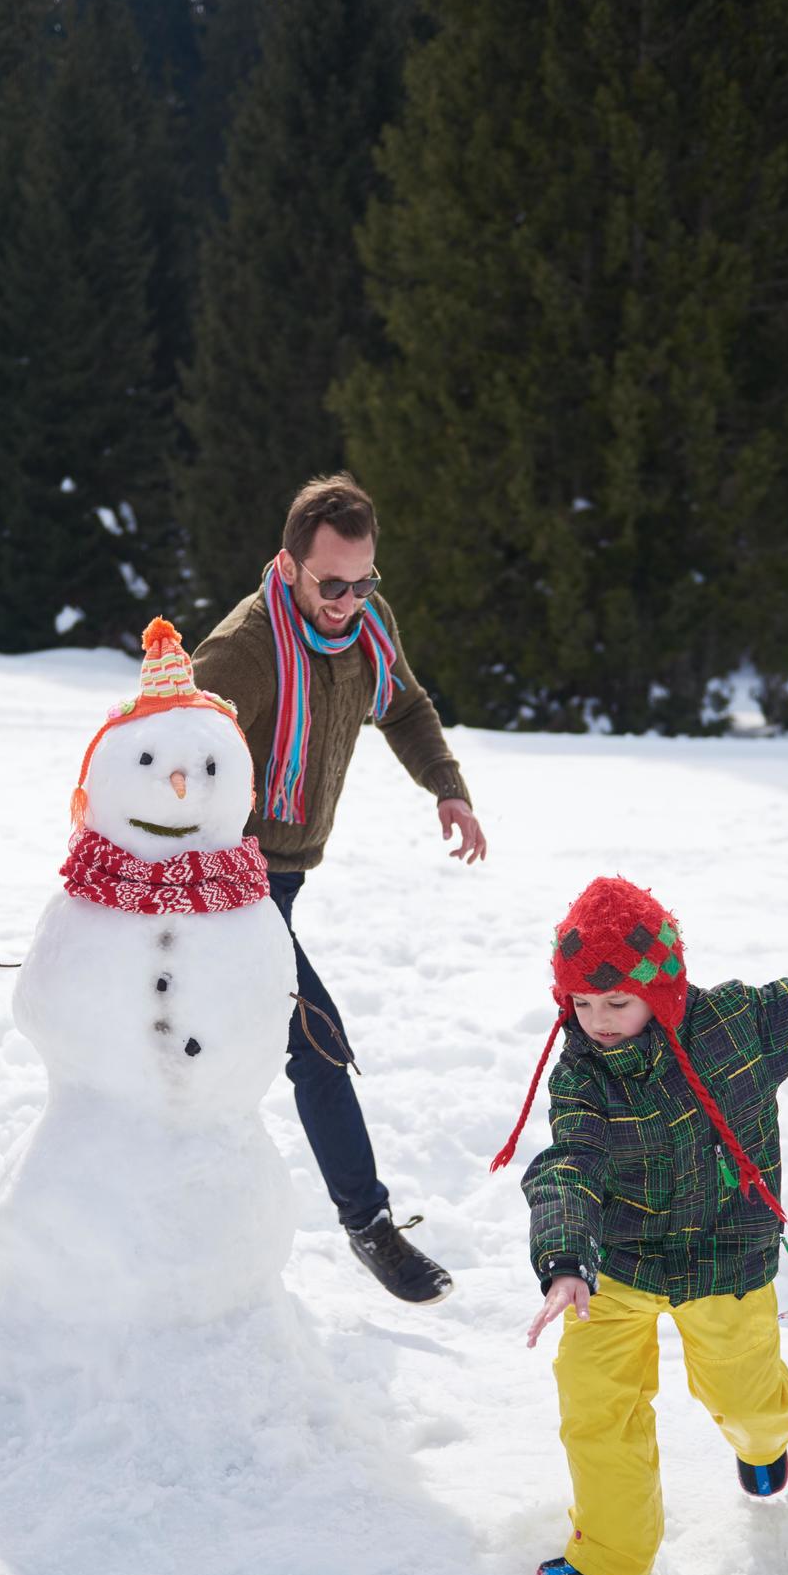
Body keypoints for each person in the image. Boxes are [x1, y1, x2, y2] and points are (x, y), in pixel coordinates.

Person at [491, 875, 788, 1575]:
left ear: (664, 987)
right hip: (617, 1264)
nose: (599, 1021)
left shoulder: (738, 1026)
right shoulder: (582, 1074)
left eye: (616, 1001)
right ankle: (612, 1554)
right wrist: (564, 1259)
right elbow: (569, 1164)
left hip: (725, 1256)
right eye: (581, 1004)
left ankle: (765, 1442)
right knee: (596, 1404)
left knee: (745, 1396)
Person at [192, 473, 487, 1304]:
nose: (349, 600)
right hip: (228, 881)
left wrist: (447, 785)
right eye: (332, 583)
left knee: (242, 1045)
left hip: (282, 883)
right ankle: (370, 1226)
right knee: (315, 1042)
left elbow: (405, 705)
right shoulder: (245, 650)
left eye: (365, 582)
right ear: (288, 566)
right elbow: (167, 742)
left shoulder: (367, 629)